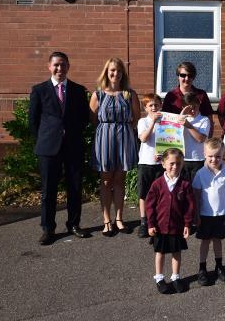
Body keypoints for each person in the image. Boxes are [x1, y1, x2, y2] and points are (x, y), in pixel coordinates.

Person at [28, 51, 89, 245]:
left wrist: (70, 133)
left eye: (63, 65)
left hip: (72, 147)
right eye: (56, 65)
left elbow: (84, 119)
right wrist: (46, 138)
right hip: (48, 148)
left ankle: (73, 224)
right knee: (48, 190)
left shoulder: (79, 90)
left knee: (75, 187)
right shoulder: (39, 90)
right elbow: (33, 121)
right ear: (49, 67)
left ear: (68, 66)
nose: (59, 69)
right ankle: (48, 228)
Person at [90, 57, 139, 236]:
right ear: (106, 72)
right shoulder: (98, 94)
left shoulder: (129, 94)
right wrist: (106, 130)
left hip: (124, 138)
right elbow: (93, 119)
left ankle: (119, 218)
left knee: (119, 180)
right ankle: (106, 220)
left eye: (118, 71)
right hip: (104, 139)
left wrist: (123, 131)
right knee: (105, 181)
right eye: (112, 70)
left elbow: (136, 118)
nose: (115, 74)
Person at [145, 148, 195, 294]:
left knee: (176, 251)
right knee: (160, 252)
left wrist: (187, 224)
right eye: (171, 163)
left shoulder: (185, 185)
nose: (175, 166)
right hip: (159, 227)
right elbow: (150, 205)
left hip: (177, 226)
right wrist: (150, 224)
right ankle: (159, 278)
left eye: (178, 164)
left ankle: (175, 277)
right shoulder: (157, 184)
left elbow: (189, 206)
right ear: (163, 164)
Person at [192, 138, 225, 286]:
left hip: (220, 215)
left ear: (223, 154)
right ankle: (202, 268)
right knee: (205, 242)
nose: (214, 159)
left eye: (217, 156)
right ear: (204, 154)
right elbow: (196, 197)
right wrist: (196, 215)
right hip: (204, 215)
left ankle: (219, 266)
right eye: (210, 156)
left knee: (217, 240)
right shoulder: (200, 174)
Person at [136, 93, 164, 238]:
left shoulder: (166, 121)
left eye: (156, 105)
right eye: (150, 105)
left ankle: (158, 220)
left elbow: (171, 141)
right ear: (145, 108)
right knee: (144, 194)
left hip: (160, 164)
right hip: (146, 162)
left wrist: (163, 154)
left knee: (160, 193)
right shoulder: (143, 121)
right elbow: (144, 138)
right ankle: (144, 222)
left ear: (161, 106)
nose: (154, 107)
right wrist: (153, 122)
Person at [162, 61, 214, 136]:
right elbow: (165, 119)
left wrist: (208, 140)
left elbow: (209, 118)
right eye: (183, 75)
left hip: (196, 138)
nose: (186, 78)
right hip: (175, 138)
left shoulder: (201, 95)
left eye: (190, 76)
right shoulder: (171, 96)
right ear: (178, 76)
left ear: (193, 77)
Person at [178, 94, 210, 182]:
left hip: (198, 160)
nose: (192, 110)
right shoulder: (178, 119)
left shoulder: (204, 120)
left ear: (199, 105)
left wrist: (188, 125)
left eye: (195, 107)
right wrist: (182, 116)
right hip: (182, 159)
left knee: (197, 188)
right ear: (183, 107)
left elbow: (200, 139)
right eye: (189, 108)